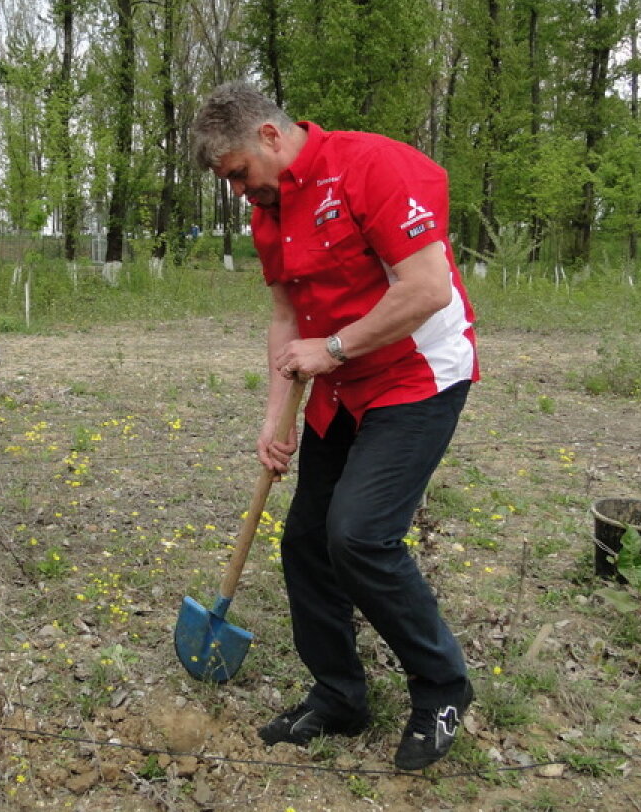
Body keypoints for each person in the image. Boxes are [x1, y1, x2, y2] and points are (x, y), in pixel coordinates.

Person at [190, 81, 479, 770]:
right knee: (307, 542)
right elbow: (287, 319)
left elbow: (427, 287)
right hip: (339, 388)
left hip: (416, 373)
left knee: (361, 535)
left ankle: (442, 686)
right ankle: (341, 695)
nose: (236, 190)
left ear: (268, 136)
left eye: (237, 173)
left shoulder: (373, 167)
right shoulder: (270, 208)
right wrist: (273, 418)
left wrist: (336, 348)